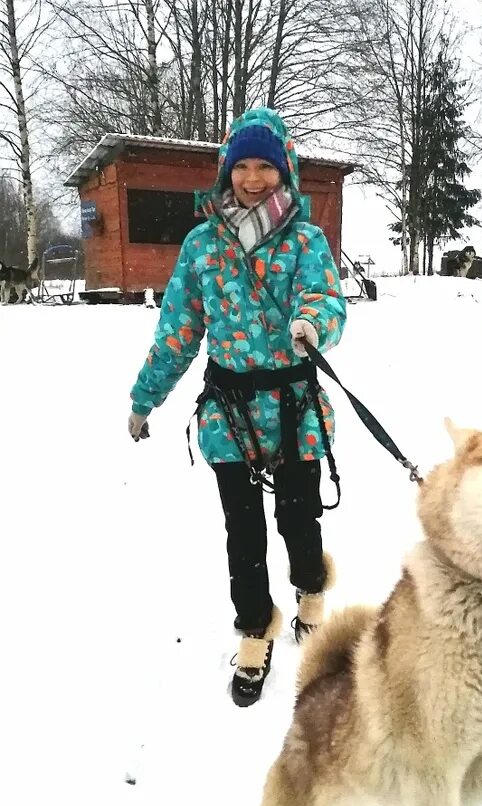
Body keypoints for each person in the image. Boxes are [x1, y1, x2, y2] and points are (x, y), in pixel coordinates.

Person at [127, 108, 346, 707]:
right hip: (229, 411)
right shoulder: (202, 244)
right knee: (243, 534)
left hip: (295, 404)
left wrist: (313, 322)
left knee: (299, 522)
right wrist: (145, 399)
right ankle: (254, 628)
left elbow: (329, 300)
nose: (253, 178)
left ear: (284, 172)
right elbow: (178, 330)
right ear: (227, 171)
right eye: (242, 166)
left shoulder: (305, 239)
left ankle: (310, 594)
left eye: (265, 167)